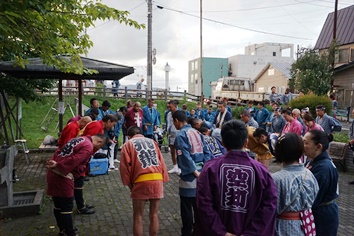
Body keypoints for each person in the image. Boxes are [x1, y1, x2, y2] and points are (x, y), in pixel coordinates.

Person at [195, 120, 277, 236]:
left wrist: (221, 232)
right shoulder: (261, 171)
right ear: (246, 143)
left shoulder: (210, 168)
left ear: (223, 143)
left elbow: (203, 204)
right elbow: (269, 207)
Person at [46, 134, 107, 236]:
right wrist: (59, 165)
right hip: (62, 176)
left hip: (53, 173)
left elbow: (60, 150)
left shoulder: (79, 138)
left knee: (58, 205)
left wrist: (53, 162)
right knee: (66, 206)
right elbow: (75, 159)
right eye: (99, 147)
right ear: (99, 142)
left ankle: (63, 230)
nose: (97, 149)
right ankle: (69, 233)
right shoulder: (88, 146)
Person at [119, 126, 169, 236]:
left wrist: (131, 187)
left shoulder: (128, 144)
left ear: (129, 136)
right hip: (157, 179)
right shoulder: (153, 142)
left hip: (141, 180)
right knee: (154, 215)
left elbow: (124, 168)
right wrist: (163, 179)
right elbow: (162, 162)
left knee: (138, 216)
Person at [172, 110, 212, 236]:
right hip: (202, 172)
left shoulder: (181, 135)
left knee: (186, 208)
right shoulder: (196, 132)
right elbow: (207, 152)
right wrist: (204, 170)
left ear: (176, 121)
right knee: (198, 207)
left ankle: (187, 233)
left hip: (190, 175)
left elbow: (184, 156)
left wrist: (194, 172)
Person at [272, 133, 319, 236]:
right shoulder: (310, 174)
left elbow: (271, 208)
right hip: (306, 224)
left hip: (283, 227)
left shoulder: (275, 179)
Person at [303, 130, 339, 236]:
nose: (303, 145)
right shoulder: (314, 161)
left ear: (318, 146)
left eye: (306, 143)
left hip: (323, 215)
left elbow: (312, 198)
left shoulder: (323, 168)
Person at [165, 100, 180, 174]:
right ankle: (175, 166)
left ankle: (180, 166)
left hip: (178, 134)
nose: (169, 108)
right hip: (171, 134)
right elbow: (168, 124)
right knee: (172, 151)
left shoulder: (180, 113)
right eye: (169, 107)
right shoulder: (168, 114)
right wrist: (167, 132)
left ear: (175, 106)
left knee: (179, 151)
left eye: (171, 107)